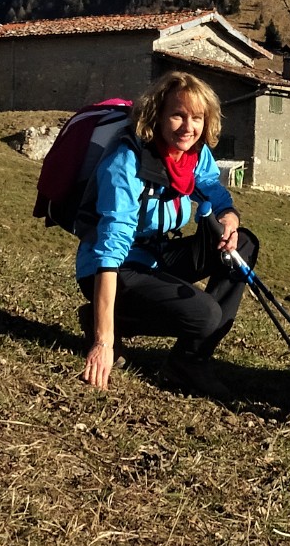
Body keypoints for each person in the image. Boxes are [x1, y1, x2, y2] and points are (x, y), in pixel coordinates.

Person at [75, 71, 258, 399]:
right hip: (114, 267)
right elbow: (109, 250)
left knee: (242, 244)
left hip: (156, 255)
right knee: (206, 314)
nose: (189, 127)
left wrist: (228, 216)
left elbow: (211, 187)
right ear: (157, 115)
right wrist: (103, 342)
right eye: (178, 115)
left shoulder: (193, 155)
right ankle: (107, 320)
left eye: (197, 118)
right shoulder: (126, 162)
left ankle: (189, 359)